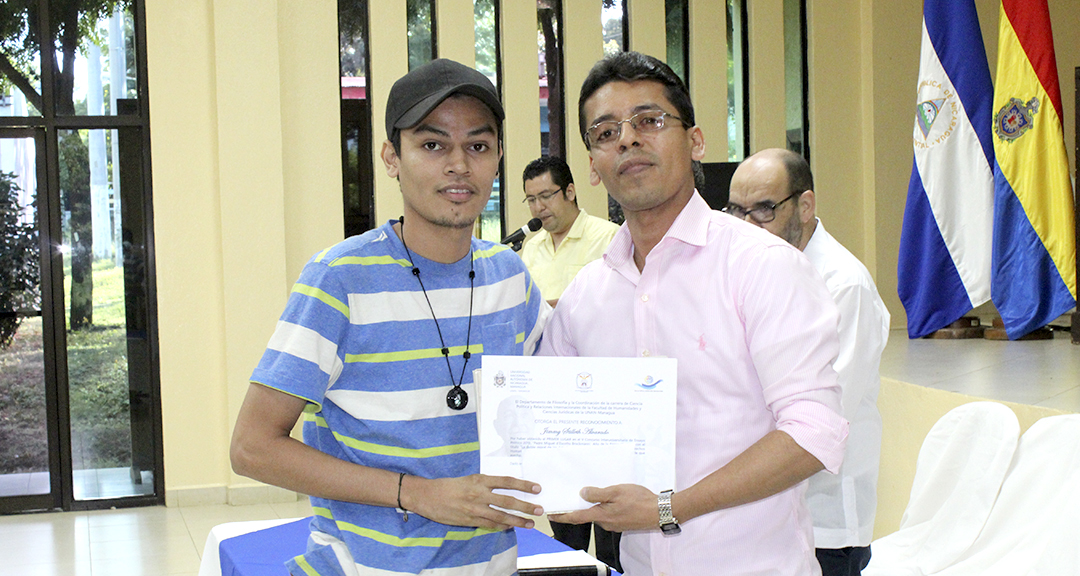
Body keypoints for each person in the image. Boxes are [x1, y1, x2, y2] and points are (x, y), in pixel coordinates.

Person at [230, 58, 550, 576]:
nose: (458, 165)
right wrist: (417, 494)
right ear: (391, 157)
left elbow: (556, 410)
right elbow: (251, 448)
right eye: (432, 144)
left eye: (478, 145)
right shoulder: (339, 279)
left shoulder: (510, 279)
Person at [540, 51, 849, 575]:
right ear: (592, 165)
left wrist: (667, 509)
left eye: (650, 120)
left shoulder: (762, 266)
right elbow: (548, 426)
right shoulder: (585, 297)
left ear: (696, 140)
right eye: (606, 131)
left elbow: (813, 433)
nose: (628, 139)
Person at [727, 148, 890, 576]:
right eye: (735, 211)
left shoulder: (844, 286)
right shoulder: (751, 274)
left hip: (826, 526)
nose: (747, 226)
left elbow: (825, 422)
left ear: (805, 204)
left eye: (763, 210)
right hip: (758, 515)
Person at [520, 156, 619, 307]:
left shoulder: (607, 237)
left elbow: (620, 300)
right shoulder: (532, 247)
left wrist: (559, 309)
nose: (539, 207)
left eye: (545, 196)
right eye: (531, 200)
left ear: (570, 192)